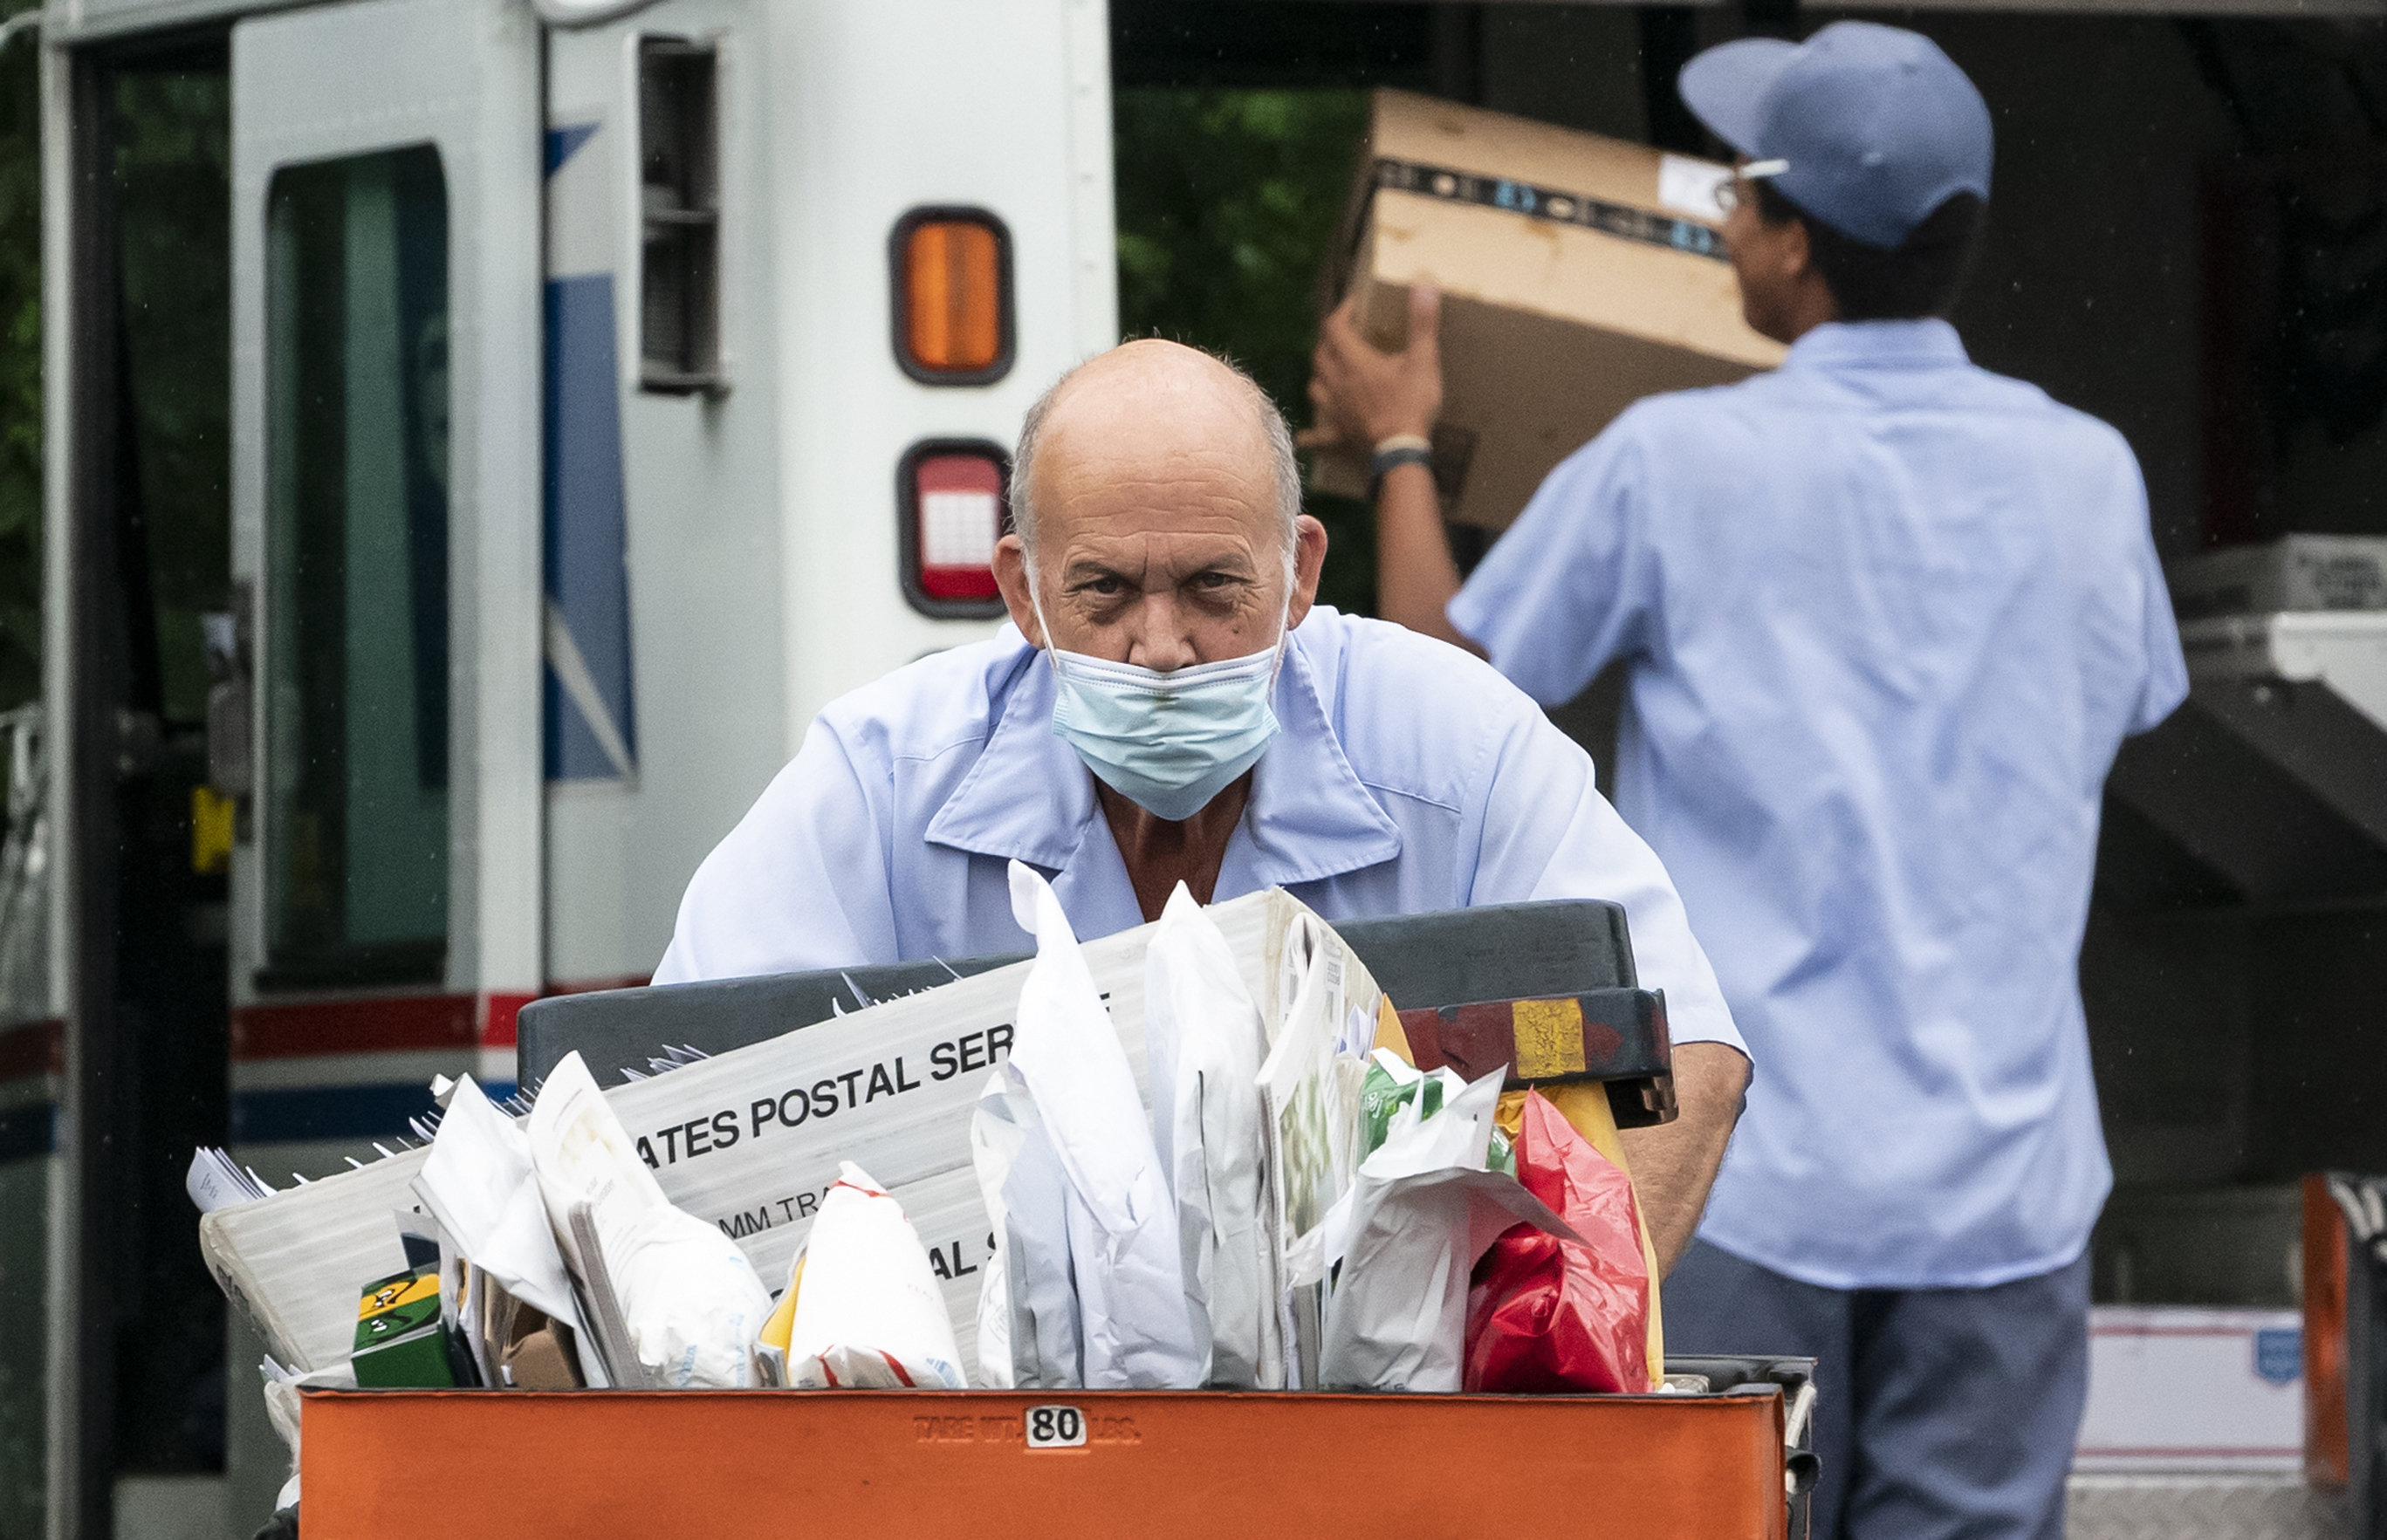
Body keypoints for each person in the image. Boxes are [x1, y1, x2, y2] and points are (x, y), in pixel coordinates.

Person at [1306, 22, 2186, 1540]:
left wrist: (1396, 441)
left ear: (1790, 241)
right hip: (2007, 1192)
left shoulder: (1677, 464)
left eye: (1737, 191)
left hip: (1750, 1189)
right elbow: (2126, 710)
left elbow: (1444, 681)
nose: (1721, 215)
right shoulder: (2092, 475)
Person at [655, 338, 1750, 1269]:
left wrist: (1543, 1357)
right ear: (1020, 591)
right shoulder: (884, 778)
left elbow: (1684, 1055)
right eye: (1105, 592)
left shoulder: (1454, 749)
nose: (1163, 647)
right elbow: (673, 1094)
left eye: (1212, 588)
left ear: (1300, 572)